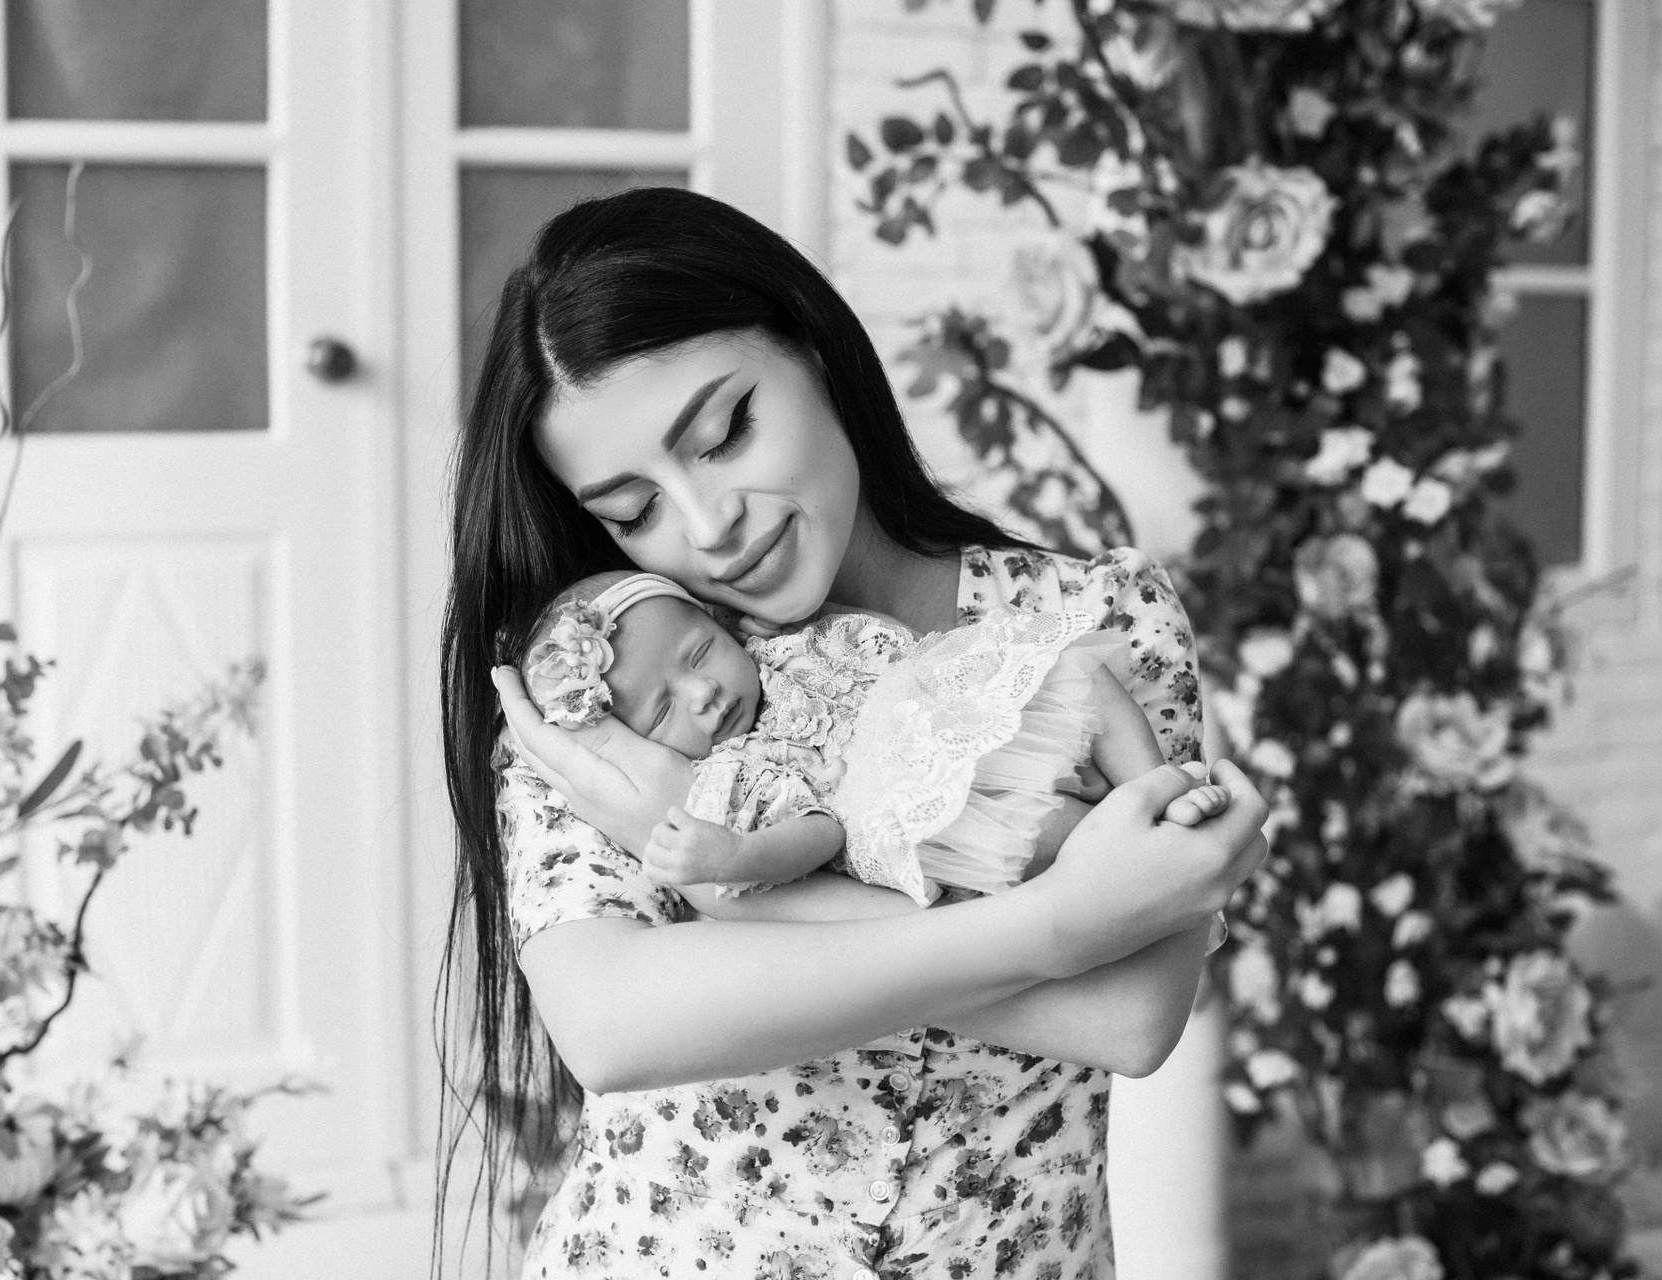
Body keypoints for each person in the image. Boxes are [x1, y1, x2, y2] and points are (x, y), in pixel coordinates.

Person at [440, 186, 1269, 1278]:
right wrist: (1059, 922)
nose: (708, 527)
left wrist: (716, 882)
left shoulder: (1097, 619)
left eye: (725, 433)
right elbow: (614, 1024)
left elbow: (1129, 1016)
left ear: (816, 349)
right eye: (633, 510)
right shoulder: (604, 684)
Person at [515, 568, 1232, 902]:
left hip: (954, 708)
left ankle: (1154, 788)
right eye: (661, 712)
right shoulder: (746, 769)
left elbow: (881, 637)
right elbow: (822, 831)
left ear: (716, 621)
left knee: (1075, 673)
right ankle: (1138, 838)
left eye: (699, 652)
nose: (701, 693)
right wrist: (737, 855)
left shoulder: (781, 646)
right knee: (1044, 829)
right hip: (928, 806)